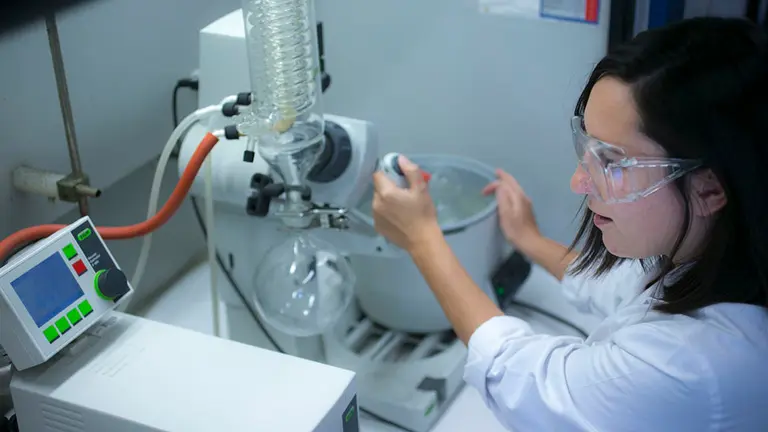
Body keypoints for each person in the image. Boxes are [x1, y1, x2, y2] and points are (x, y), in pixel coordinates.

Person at [371, 17, 768, 431]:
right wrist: (529, 239)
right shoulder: (712, 263)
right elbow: (622, 287)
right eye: (587, 148)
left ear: (708, 190)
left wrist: (421, 239)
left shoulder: (695, 366)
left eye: (612, 161)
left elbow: (518, 375)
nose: (579, 181)